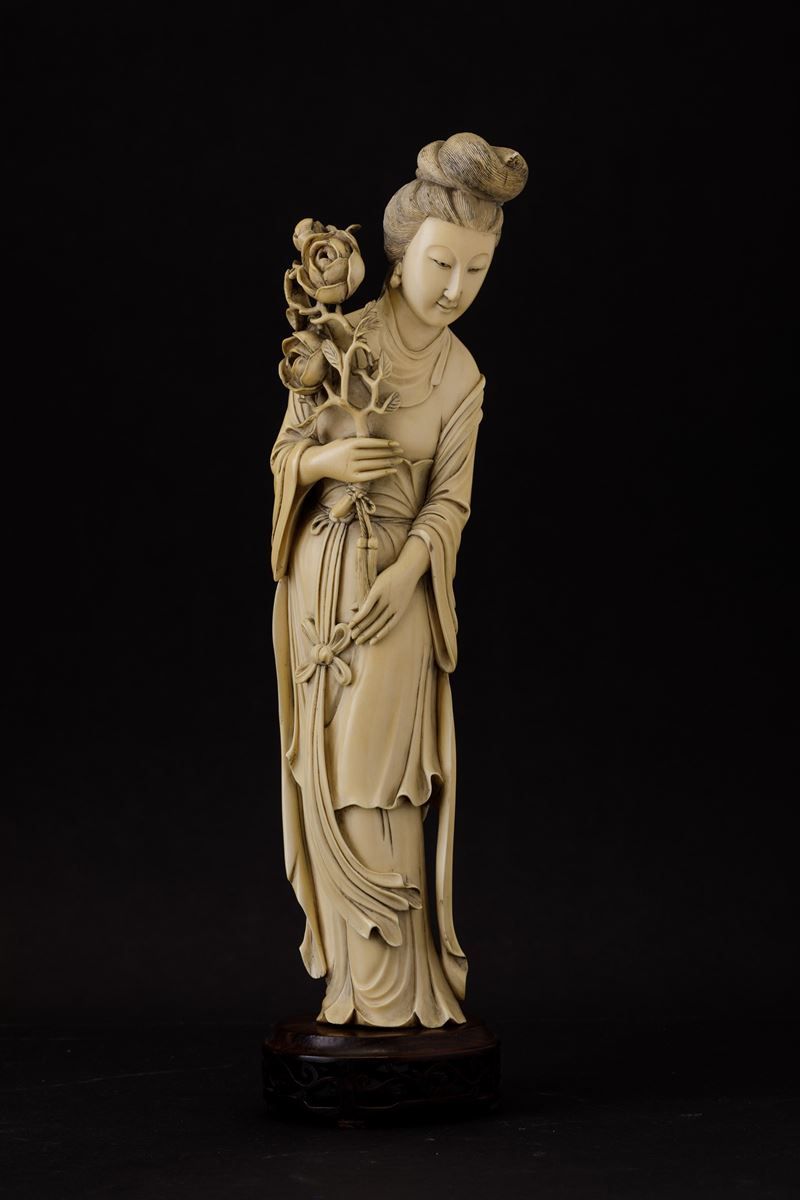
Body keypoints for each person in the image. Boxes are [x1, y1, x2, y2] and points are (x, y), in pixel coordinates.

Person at [271, 133, 528, 1027]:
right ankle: (353, 989)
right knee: (329, 772)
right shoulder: (337, 337)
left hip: (399, 590)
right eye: (441, 263)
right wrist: (325, 460)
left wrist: (409, 572)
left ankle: (403, 994)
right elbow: (285, 455)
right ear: (399, 251)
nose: (456, 287)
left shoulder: (461, 374)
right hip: (324, 576)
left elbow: (451, 501)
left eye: (477, 270)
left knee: (381, 779)